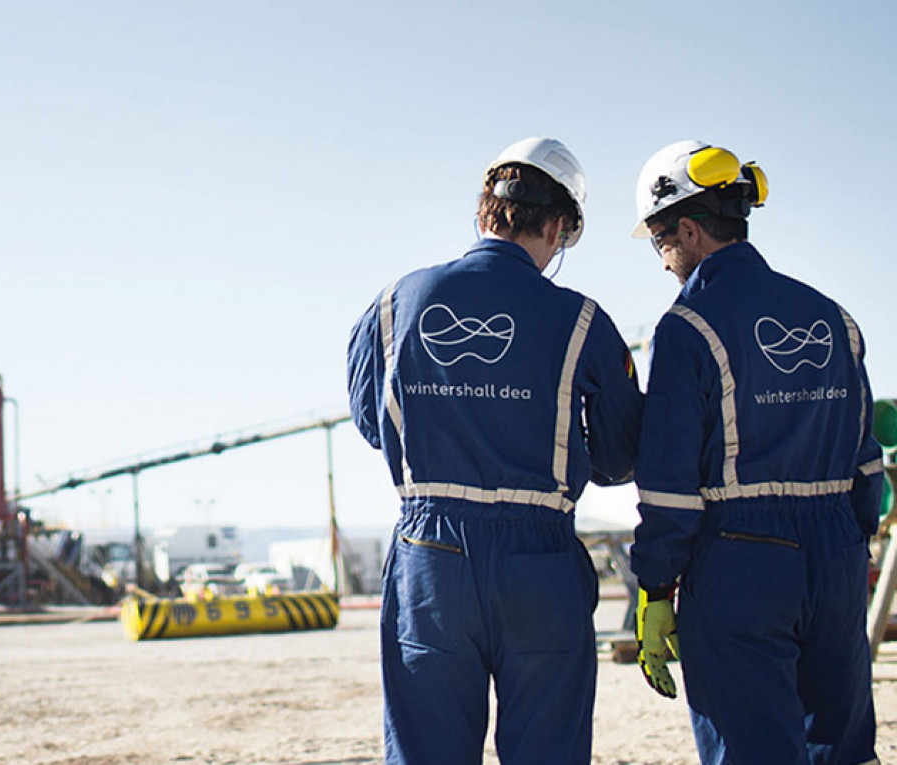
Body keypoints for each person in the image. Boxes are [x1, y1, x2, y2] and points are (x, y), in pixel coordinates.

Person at [347, 137, 643, 764]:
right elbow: (619, 458)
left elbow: (374, 424)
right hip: (539, 559)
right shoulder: (583, 320)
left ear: (483, 211)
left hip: (430, 555)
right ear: (558, 228)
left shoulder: (394, 303)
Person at [629, 140, 883, 764]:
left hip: (742, 559)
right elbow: (866, 460)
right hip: (837, 555)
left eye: (660, 241)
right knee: (843, 747)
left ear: (689, 230)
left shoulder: (688, 326)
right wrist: (845, 546)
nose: (663, 261)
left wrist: (656, 586)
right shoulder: (835, 318)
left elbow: (670, 483)